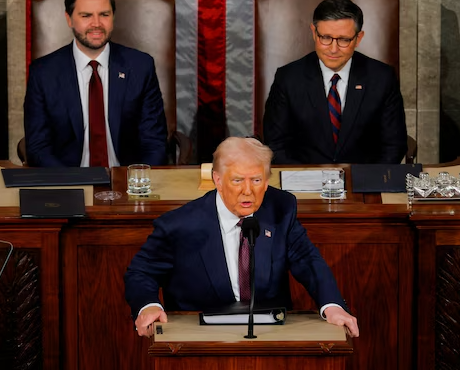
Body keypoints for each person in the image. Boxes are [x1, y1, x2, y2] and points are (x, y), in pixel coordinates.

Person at [124, 137, 359, 337]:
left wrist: (332, 305)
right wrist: (148, 305)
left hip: (271, 334)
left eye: (256, 180)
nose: (248, 190)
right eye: (237, 180)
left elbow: (308, 261)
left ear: (266, 181)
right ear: (217, 179)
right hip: (200, 336)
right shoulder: (179, 224)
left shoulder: (281, 209)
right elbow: (141, 272)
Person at [23, 0, 168, 168]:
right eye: (86, 16)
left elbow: (154, 142)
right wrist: (70, 184)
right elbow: (38, 147)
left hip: (128, 183)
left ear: (113, 17)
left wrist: (136, 183)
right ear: (69, 19)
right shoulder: (43, 73)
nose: (97, 24)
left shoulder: (140, 67)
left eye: (104, 14)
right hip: (68, 183)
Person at [263, 0, 407, 165]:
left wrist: (370, 181)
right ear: (314, 33)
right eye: (325, 37)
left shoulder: (382, 77)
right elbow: (275, 144)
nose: (333, 49)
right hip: (303, 180)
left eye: (344, 40)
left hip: (363, 181)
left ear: (358, 38)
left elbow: (393, 145)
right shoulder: (288, 78)